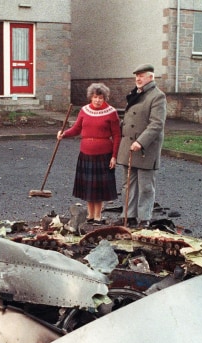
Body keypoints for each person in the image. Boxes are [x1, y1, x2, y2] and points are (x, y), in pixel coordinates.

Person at [57, 83, 121, 224]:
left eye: (101, 97)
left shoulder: (111, 112)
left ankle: (98, 216)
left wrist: (114, 156)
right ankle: (90, 215)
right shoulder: (84, 111)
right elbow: (76, 129)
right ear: (91, 97)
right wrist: (64, 134)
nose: (98, 100)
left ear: (105, 98)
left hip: (103, 155)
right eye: (95, 97)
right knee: (89, 186)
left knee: (99, 187)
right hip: (86, 153)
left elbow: (117, 135)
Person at [117, 63, 167, 228]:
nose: (138, 79)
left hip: (145, 148)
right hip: (129, 147)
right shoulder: (135, 94)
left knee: (145, 186)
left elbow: (156, 124)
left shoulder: (157, 96)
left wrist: (141, 142)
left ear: (151, 77)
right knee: (128, 185)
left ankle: (144, 219)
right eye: (136, 76)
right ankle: (129, 216)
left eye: (141, 75)